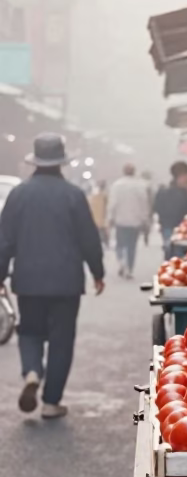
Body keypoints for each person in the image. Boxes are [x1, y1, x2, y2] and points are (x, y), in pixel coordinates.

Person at [0, 133, 105, 419]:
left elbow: (4, 240)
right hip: (66, 282)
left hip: (28, 280)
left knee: (30, 331)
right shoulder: (73, 195)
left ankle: (32, 372)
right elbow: (88, 239)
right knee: (61, 339)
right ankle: (50, 401)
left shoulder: (19, 194)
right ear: (62, 163)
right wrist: (98, 272)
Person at [108, 163, 152, 279]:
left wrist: (110, 217)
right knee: (131, 246)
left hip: (120, 220)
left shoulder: (117, 185)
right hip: (135, 221)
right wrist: (145, 219)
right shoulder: (139, 185)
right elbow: (144, 204)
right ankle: (129, 268)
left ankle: (121, 260)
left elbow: (112, 203)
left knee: (120, 244)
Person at [153, 161, 187, 259]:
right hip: (169, 227)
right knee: (170, 251)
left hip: (186, 228)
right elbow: (158, 208)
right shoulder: (164, 191)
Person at [88, 180, 109, 246]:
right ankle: (105, 242)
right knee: (102, 231)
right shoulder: (104, 194)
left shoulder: (94, 194)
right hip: (100, 217)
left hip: (96, 217)